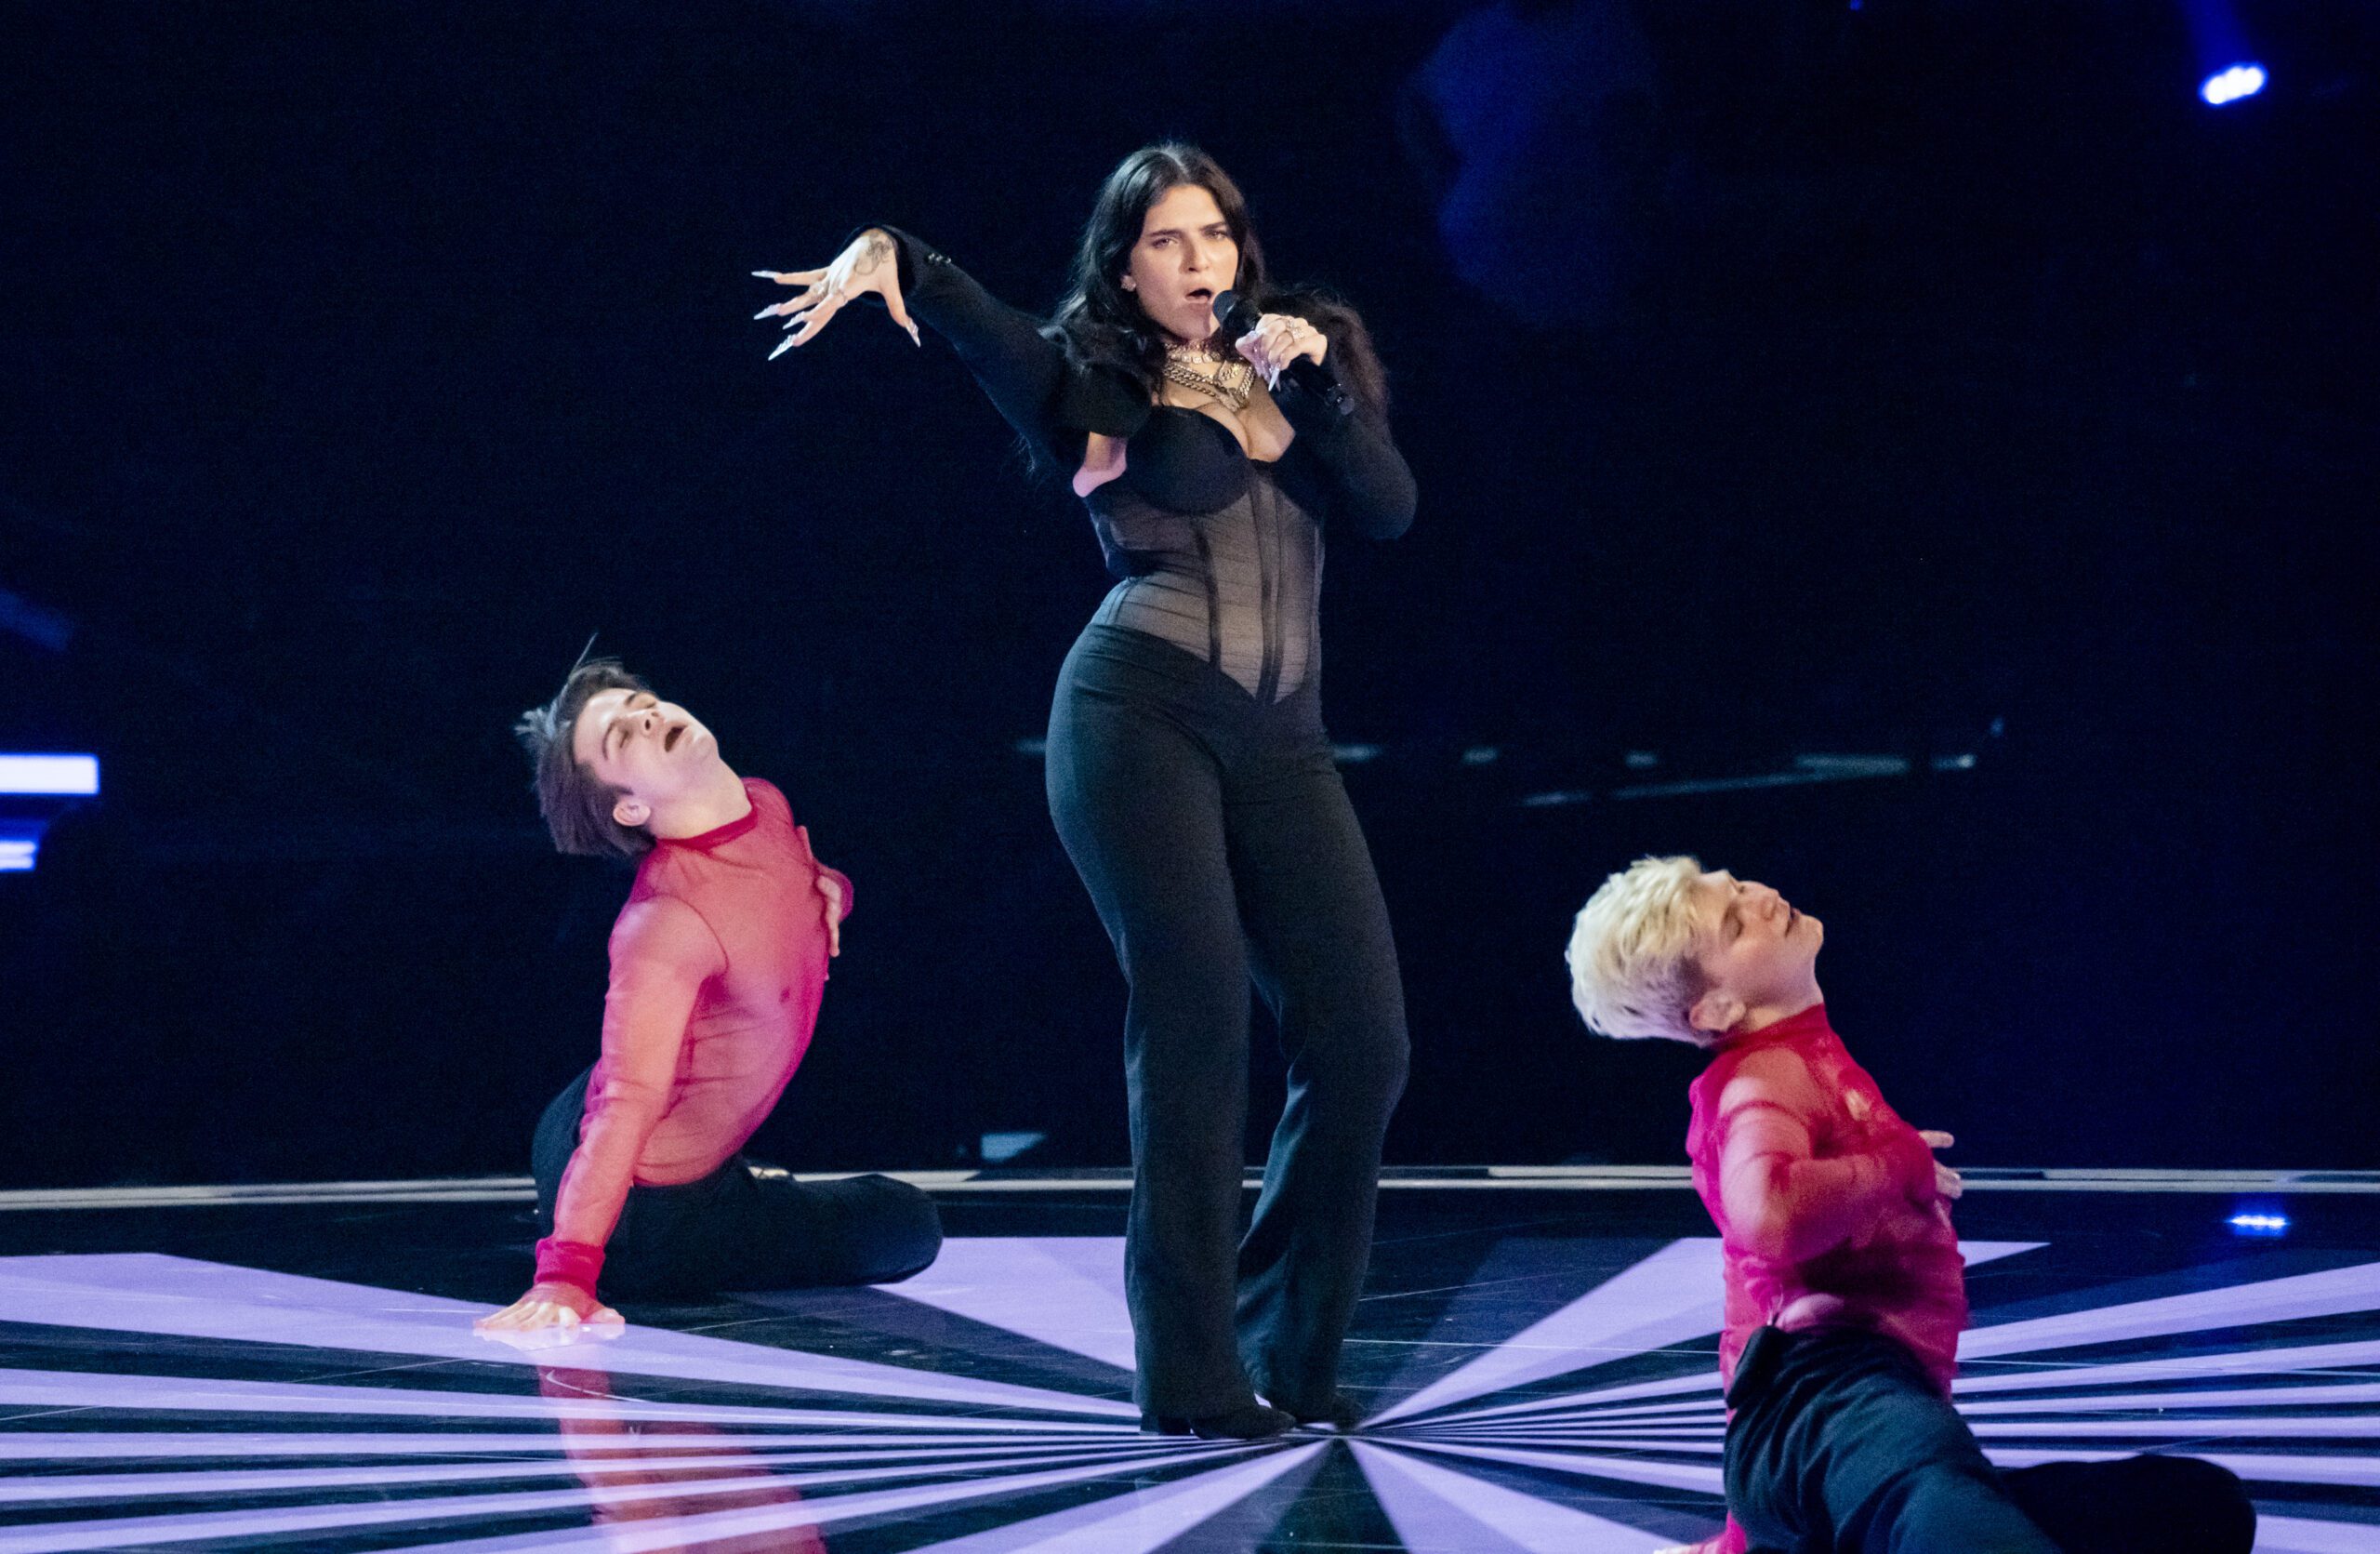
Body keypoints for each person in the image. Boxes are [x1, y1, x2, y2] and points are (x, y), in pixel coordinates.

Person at [753, 144, 1415, 1438]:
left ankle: (1291, 1333)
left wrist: (1319, 389)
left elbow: (1387, 508)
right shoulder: (1104, 375)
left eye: (1213, 233)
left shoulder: (1304, 346)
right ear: (1124, 262)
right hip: (1135, 716)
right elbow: (1002, 342)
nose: (1197, 261)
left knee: (1363, 1042)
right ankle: (1193, 1368)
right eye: (1166, 241)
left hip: (1286, 739)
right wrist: (906, 259)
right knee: (1200, 1019)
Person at [1565, 856, 2255, 1554]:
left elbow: (1748, 1299)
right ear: (1715, 1009)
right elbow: (1767, 1215)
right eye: (1736, 920)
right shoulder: (1760, 1076)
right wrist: (1897, 1164)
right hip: (1833, 1389)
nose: (1765, 896)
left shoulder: (1797, 1052)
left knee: (2197, 1504)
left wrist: (1743, 1538)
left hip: (1843, 1413)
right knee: (1936, 1487)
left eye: (1739, 885)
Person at [477, 657, 941, 1334]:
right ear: (630, 806)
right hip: (651, 1215)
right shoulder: (665, 922)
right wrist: (565, 1274)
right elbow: (626, 1105)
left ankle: (727, 1185)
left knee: (645, 1071)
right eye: (619, 737)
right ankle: (635, 1218)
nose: (644, 714)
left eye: (639, 701)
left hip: (582, 1114)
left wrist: (832, 890)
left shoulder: (765, 803)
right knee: (906, 1222)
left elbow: (790, 881)